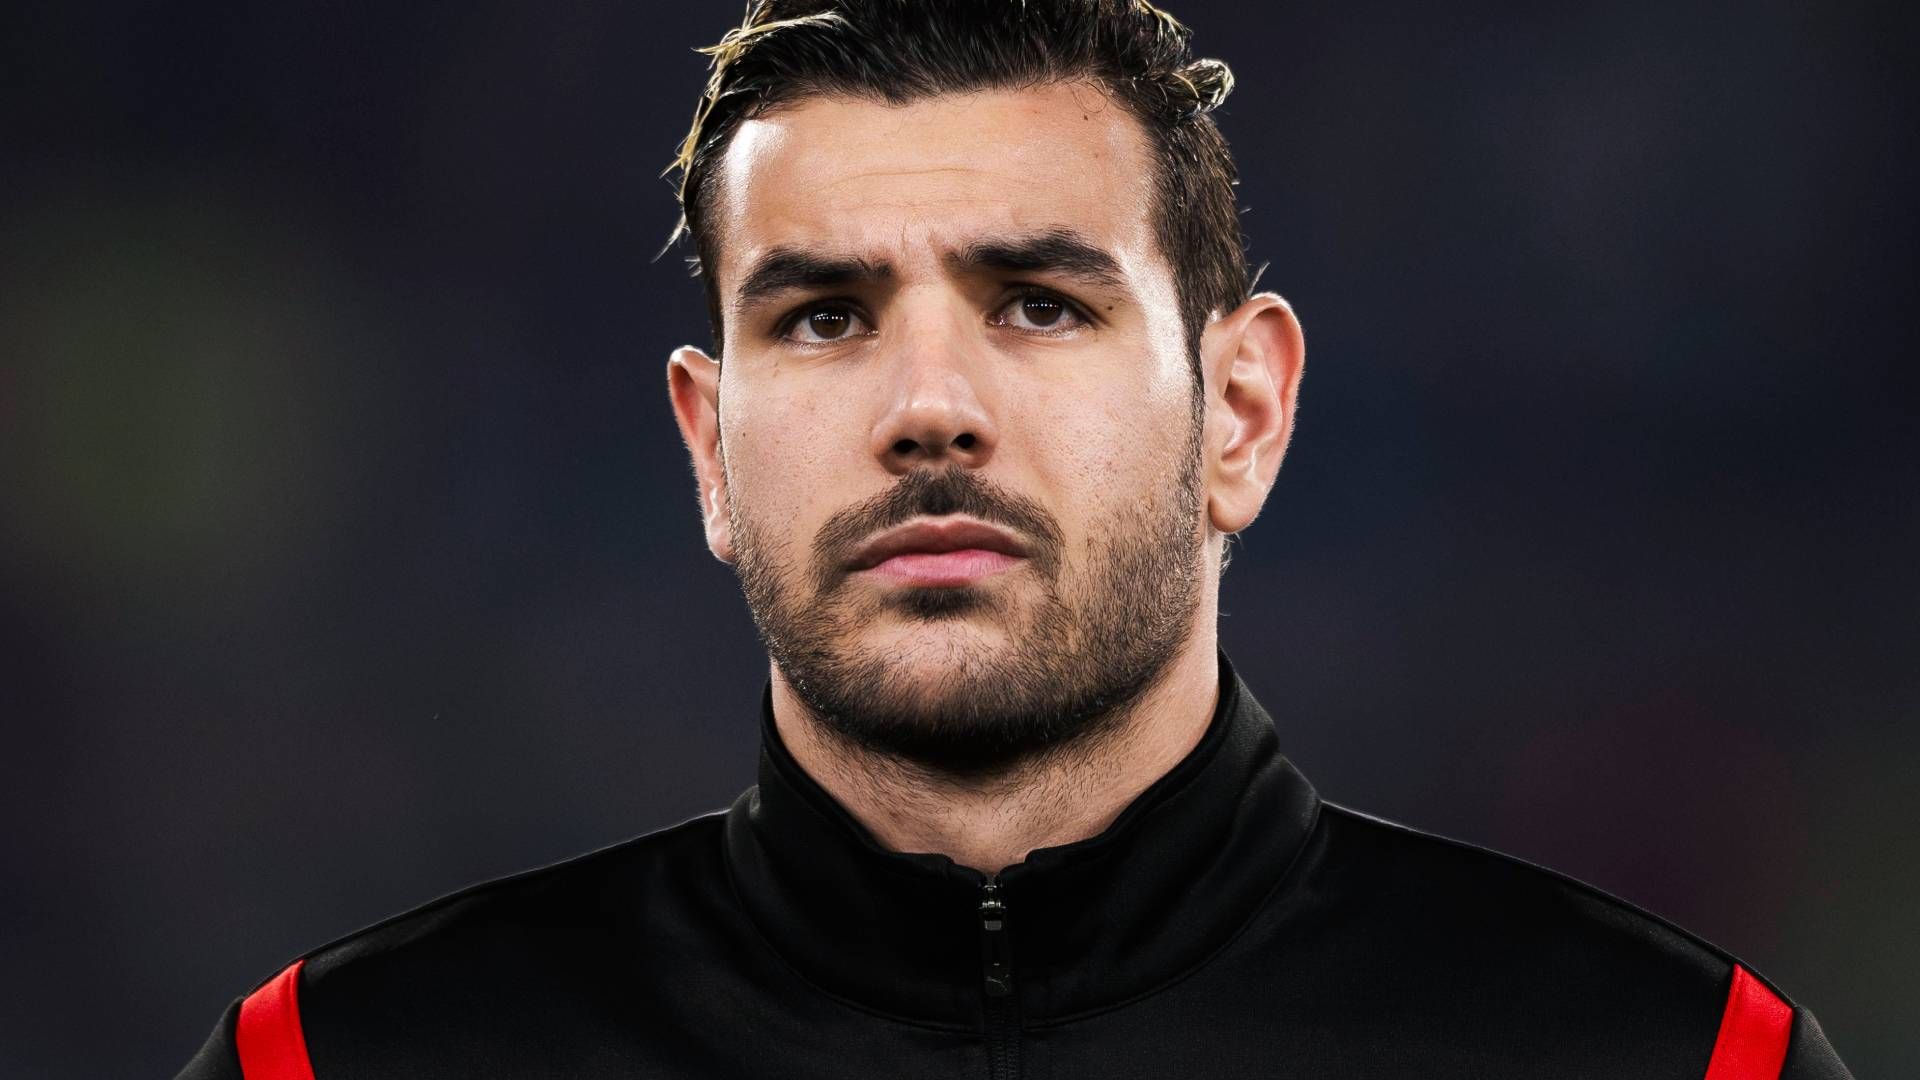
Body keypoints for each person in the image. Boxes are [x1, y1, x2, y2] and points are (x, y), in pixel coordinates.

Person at [178, 2, 1853, 1077]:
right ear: (709, 447)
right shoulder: (339, 1060)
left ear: (1241, 414)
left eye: (1039, 303)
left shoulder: (1675, 1057)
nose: (931, 407)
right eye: (825, 317)